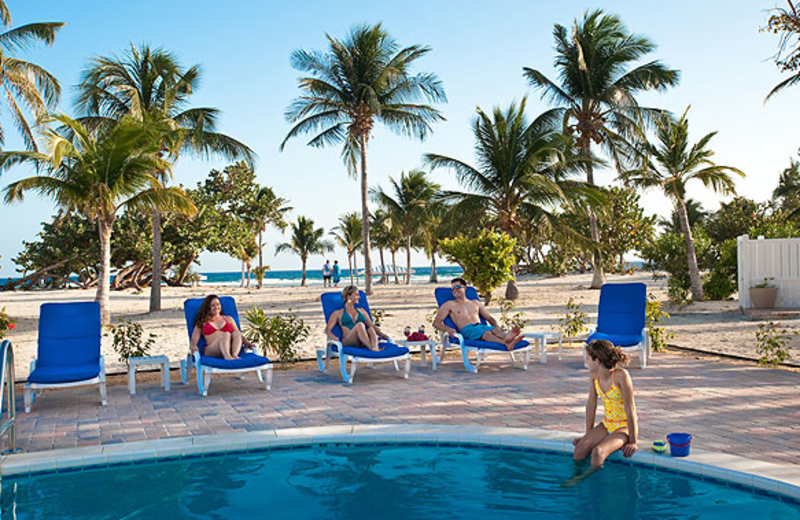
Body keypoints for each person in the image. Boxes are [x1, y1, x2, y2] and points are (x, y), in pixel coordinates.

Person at [566, 339, 639, 485]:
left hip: (623, 426)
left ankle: (588, 482)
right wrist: (588, 435)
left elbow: (630, 409)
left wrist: (633, 441)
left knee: (598, 452)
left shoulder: (621, 376)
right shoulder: (594, 377)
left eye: (588, 359)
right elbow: (591, 405)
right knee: (581, 447)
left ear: (597, 361)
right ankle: (575, 476)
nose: (586, 362)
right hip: (607, 424)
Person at [433, 277, 524, 350]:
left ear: (464, 288)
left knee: (495, 330)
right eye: (452, 289)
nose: (454, 290)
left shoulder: (475, 303)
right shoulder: (449, 305)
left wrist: (496, 326)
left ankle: (507, 337)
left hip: (480, 327)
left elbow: (489, 318)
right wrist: (448, 329)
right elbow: (436, 322)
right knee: (486, 334)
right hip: (467, 329)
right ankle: (507, 342)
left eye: (457, 287)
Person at [190, 295, 256, 360]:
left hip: (229, 347)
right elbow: (194, 338)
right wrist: (193, 345)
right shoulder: (202, 322)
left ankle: (234, 355)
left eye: (218, 304)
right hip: (212, 350)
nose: (216, 307)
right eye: (213, 305)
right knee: (226, 334)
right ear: (207, 307)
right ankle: (227, 357)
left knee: (236, 332)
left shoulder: (229, 319)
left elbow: (239, 336)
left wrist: (247, 343)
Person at [325, 285, 388, 351]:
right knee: (360, 325)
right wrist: (333, 337)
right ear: (349, 296)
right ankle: (371, 349)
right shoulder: (338, 313)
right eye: (356, 295)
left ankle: (375, 348)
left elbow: (371, 325)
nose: (359, 297)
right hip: (349, 341)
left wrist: (382, 334)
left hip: (362, 342)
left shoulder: (362, 311)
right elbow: (327, 330)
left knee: (371, 329)